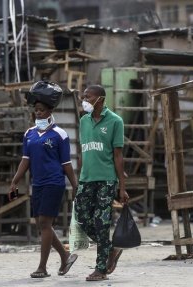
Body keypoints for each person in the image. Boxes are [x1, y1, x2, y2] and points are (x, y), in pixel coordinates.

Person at [10, 81, 78, 279]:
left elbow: (66, 163)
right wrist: (15, 181)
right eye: (36, 110)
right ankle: (65, 256)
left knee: (46, 224)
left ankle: (42, 267)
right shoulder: (29, 134)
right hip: (37, 183)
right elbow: (25, 160)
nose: (38, 113)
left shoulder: (60, 134)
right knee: (41, 224)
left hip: (54, 182)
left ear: (49, 111)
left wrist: (75, 185)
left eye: (41, 110)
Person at [75, 85, 129, 281]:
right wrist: (78, 178)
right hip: (86, 179)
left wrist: (121, 187)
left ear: (100, 99)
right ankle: (111, 249)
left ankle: (100, 269)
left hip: (106, 180)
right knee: (81, 217)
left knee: (101, 222)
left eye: (88, 97)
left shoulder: (115, 121)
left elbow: (118, 156)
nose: (84, 100)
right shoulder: (83, 121)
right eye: (84, 97)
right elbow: (83, 152)